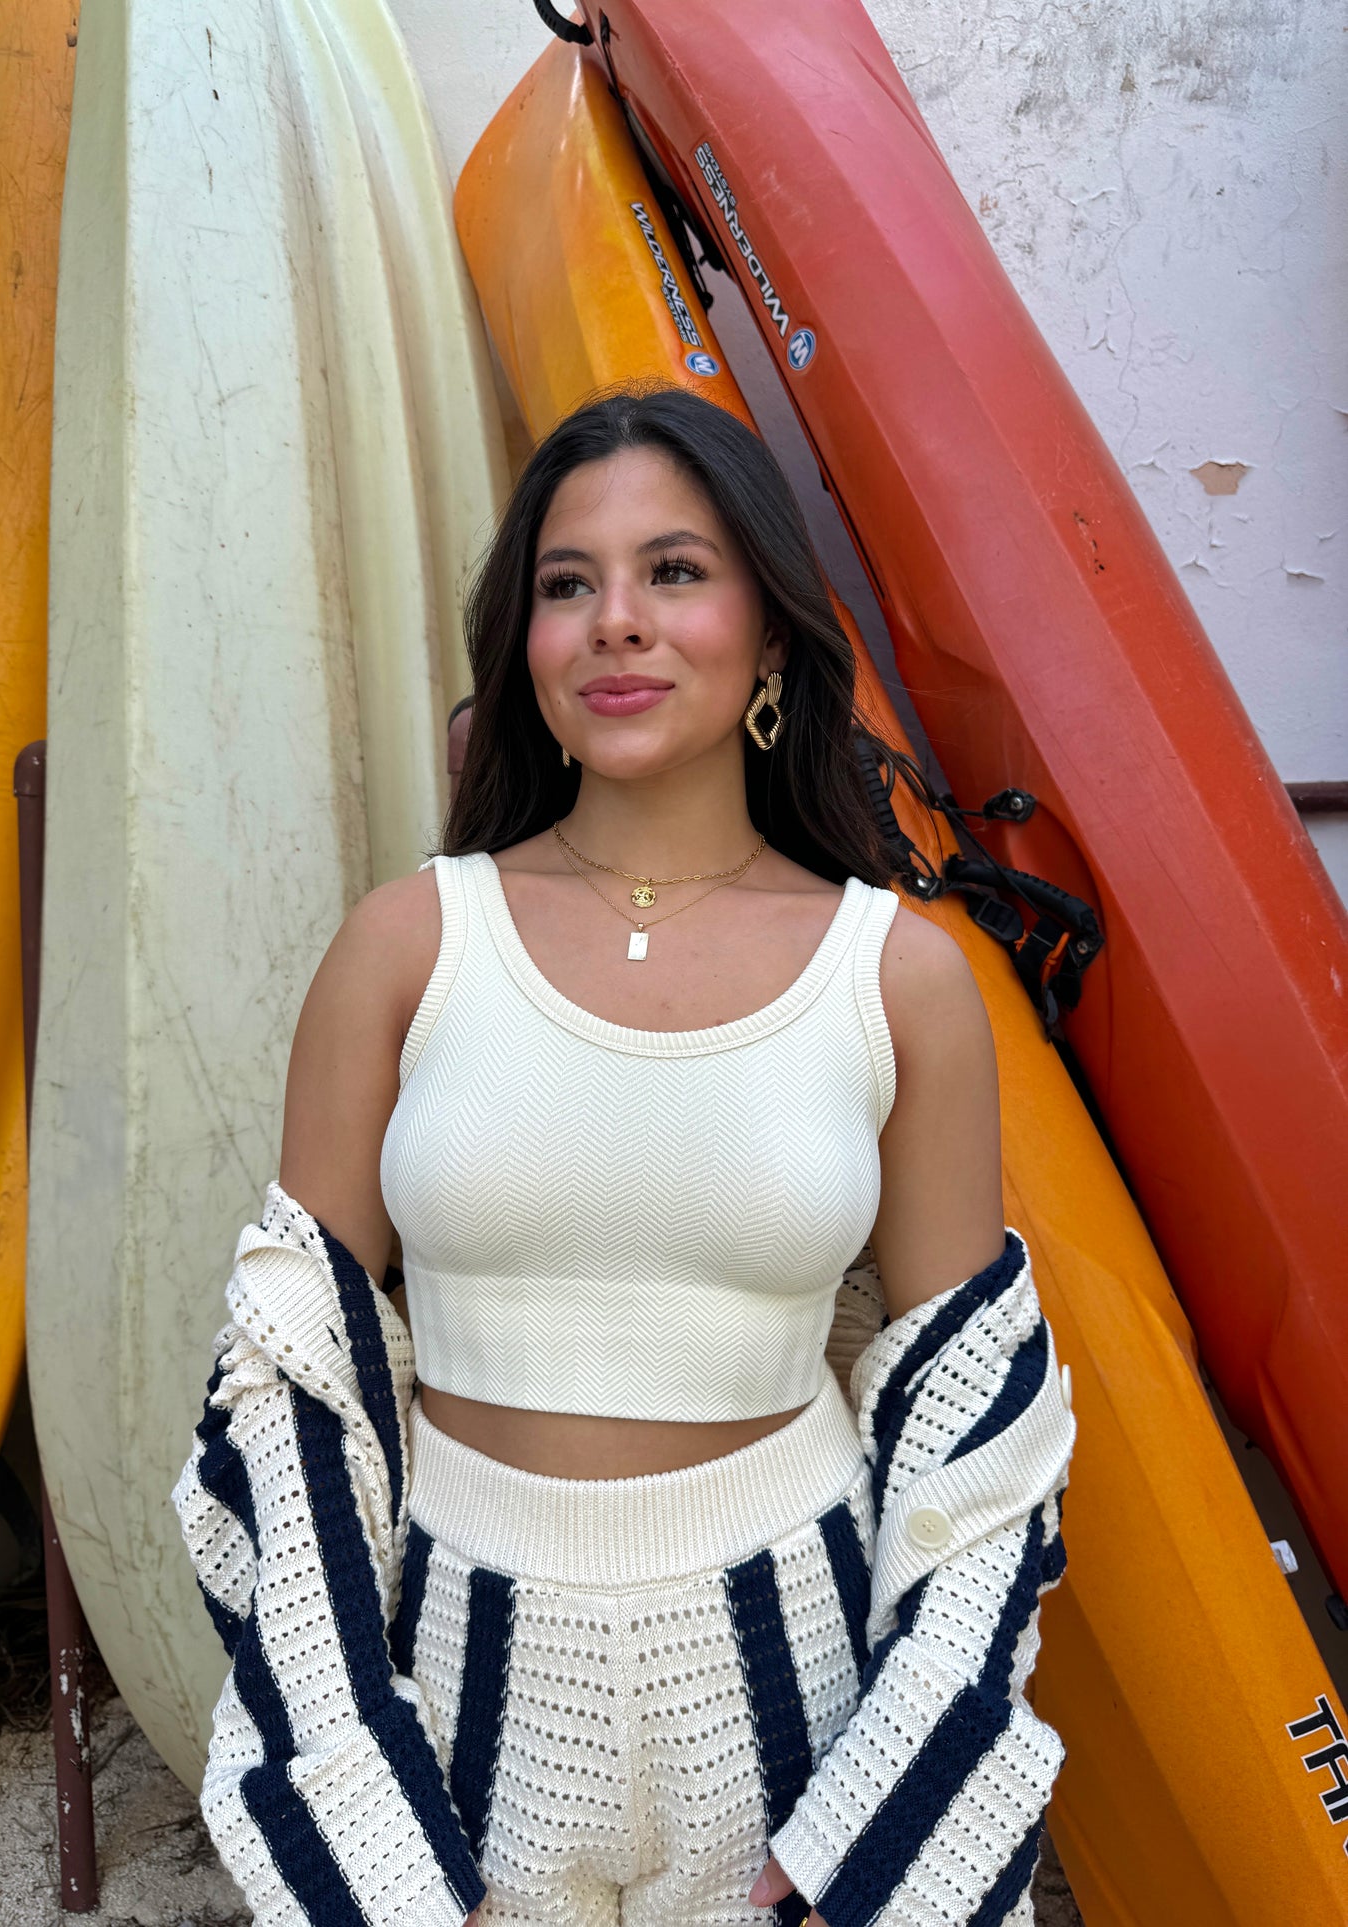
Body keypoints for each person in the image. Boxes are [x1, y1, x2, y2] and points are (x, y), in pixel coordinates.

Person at [174, 386, 1075, 1927]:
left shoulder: (897, 978)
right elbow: (287, 1395)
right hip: (455, 1676)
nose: (615, 624)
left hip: (795, 1679)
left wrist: (857, 1839)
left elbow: (975, 1434)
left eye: (675, 571)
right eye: (566, 584)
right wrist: (372, 1826)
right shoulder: (409, 946)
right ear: (522, 647)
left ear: (772, 634)